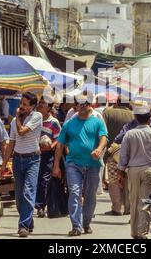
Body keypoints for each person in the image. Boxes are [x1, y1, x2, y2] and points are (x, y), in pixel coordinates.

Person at [52, 94, 108, 237]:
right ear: (75, 106)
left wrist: (99, 149)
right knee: (75, 193)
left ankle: (86, 222)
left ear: (90, 105)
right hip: (73, 164)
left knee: (90, 196)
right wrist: (56, 166)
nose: (82, 106)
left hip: (93, 164)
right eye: (79, 103)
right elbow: (60, 145)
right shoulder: (69, 124)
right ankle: (76, 226)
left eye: (85, 103)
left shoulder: (97, 121)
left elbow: (104, 138)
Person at [117, 103, 151, 239]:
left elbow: (123, 156)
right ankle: (142, 233)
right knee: (147, 202)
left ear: (135, 117)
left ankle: (135, 232)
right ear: (150, 118)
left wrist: (120, 172)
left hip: (133, 171)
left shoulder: (129, 134)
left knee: (134, 202)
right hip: (149, 170)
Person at [1, 92, 43, 238]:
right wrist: (4, 163)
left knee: (28, 192)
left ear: (32, 106)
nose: (22, 107)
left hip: (32, 160)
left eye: (25, 104)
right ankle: (28, 219)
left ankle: (23, 226)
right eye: (21, 104)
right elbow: (11, 142)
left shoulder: (37, 117)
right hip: (18, 160)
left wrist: (17, 118)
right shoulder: (13, 122)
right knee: (19, 198)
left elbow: (22, 132)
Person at [102, 96, 134, 216]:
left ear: (117, 102)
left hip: (113, 152)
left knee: (114, 180)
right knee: (128, 180)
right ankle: (128, 207)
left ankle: (117, 207)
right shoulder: (133, 115)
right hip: (130, 153)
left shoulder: (108, 113)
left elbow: (103, 131)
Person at [35, 96, 61, 218]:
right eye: (40, 103)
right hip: (34, 154)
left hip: (48, 155)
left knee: (44, 180)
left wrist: (50, 147)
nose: (40, 105)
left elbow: (58, 140)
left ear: (49, 107)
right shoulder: (34, 120)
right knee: (35, 180)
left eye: (43, 103)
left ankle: (41, 206)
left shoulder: (53, 122)